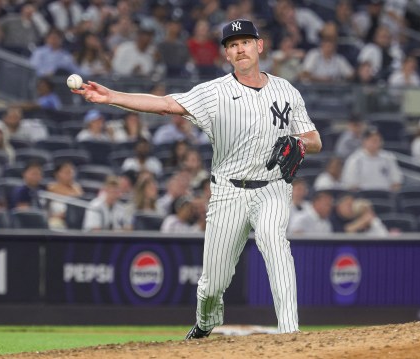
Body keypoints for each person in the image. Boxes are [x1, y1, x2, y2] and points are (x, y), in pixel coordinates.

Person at [71, 18, 321, 338]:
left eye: (245, 42)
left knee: (275, 243)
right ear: (227, 56)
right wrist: (111, 97)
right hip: (228, 192)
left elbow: (314, 139)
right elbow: (165, 105)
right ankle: (206, 322)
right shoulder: (214, 92)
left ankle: (291, 334)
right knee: (213, 283)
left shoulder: (286, 89)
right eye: (232, 45)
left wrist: (300, 143)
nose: (239, 48)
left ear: (259, 46)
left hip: (272, 187)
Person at [342, 126, 403, 191]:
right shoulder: (355, 159)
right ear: (364, 141)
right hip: (364, 195)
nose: (375, 143)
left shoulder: (388, 158)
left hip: (385, 195)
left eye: (377, 140)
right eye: (372, 140)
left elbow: (397, 181)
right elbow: (350, 184)